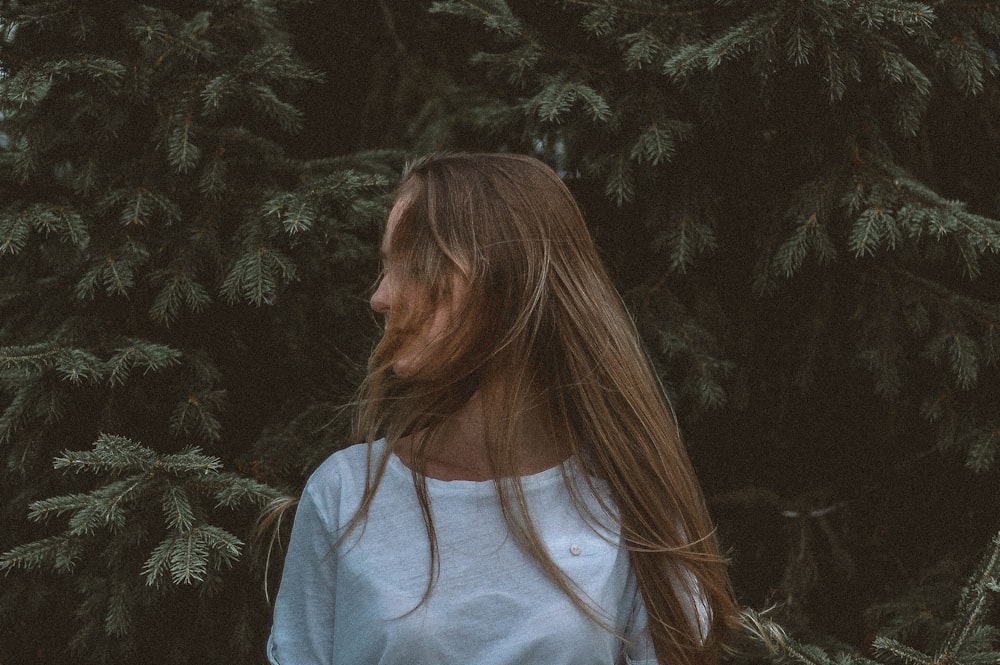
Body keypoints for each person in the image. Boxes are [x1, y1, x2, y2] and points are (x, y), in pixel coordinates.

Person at [265, 153, 739, 665]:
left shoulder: (627, 504)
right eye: (384, 266)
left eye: (413, 264)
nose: (380, 297)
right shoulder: (347, 493)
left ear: (502, 283)